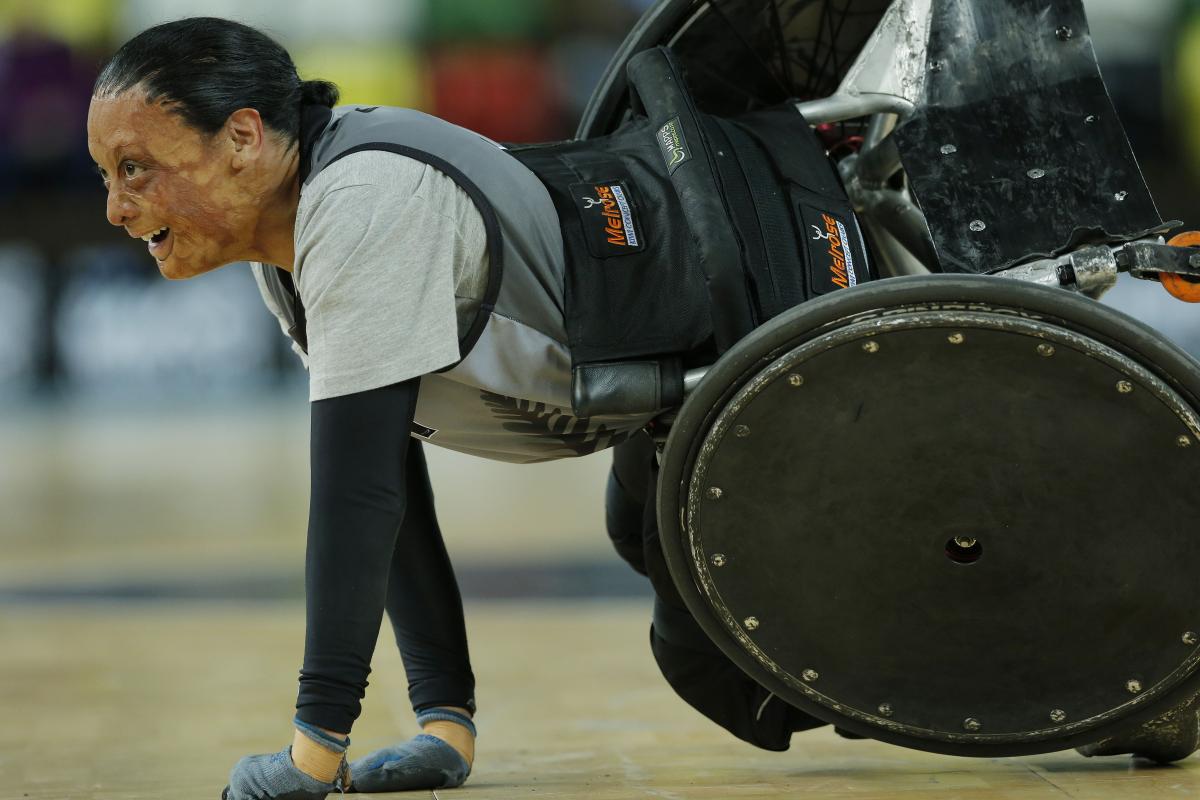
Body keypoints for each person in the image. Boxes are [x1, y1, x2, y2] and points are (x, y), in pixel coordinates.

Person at [86, 15, 834, 799]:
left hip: (752, 340)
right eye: (108, 175)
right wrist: (444, 723)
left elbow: (358, 498)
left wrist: (313, 750)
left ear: (242, 136)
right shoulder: (288, 241)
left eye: (136, 169)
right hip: (664, 400)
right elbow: (395, 484)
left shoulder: (360, 203)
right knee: (649, 555)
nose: (115, 208)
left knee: (729, 674)